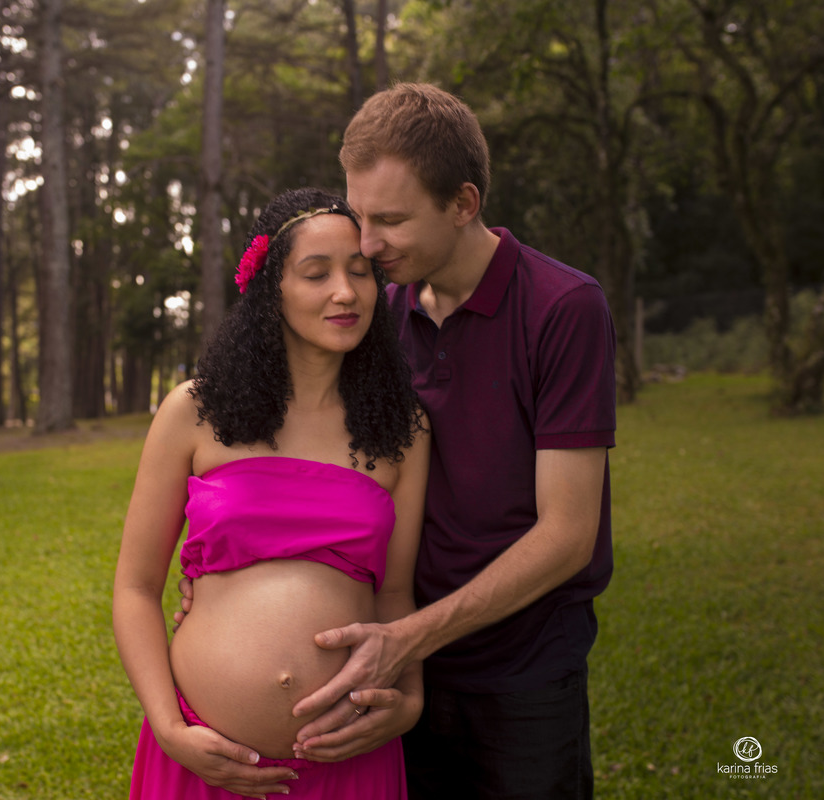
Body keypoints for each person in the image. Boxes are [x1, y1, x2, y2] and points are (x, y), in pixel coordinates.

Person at [285, 83, 617, 799]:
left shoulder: (563, 308)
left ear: (463, 204)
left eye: (392, 221)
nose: (367, 247)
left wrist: (408, 639)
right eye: (360, 217)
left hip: (522, 672)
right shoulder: (377, 313)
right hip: (396, 663)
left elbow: (567, 534)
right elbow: (320, 462)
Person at [112, 187, 430, 799]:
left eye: (360, 273)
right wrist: (170, 725)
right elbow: (135, 587)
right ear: (271, 289)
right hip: (205, 756)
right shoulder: (194, 411)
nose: (345, 292)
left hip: (351, 751)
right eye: (317, 273)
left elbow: (394, 592)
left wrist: (409, 699)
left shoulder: (402, 431)